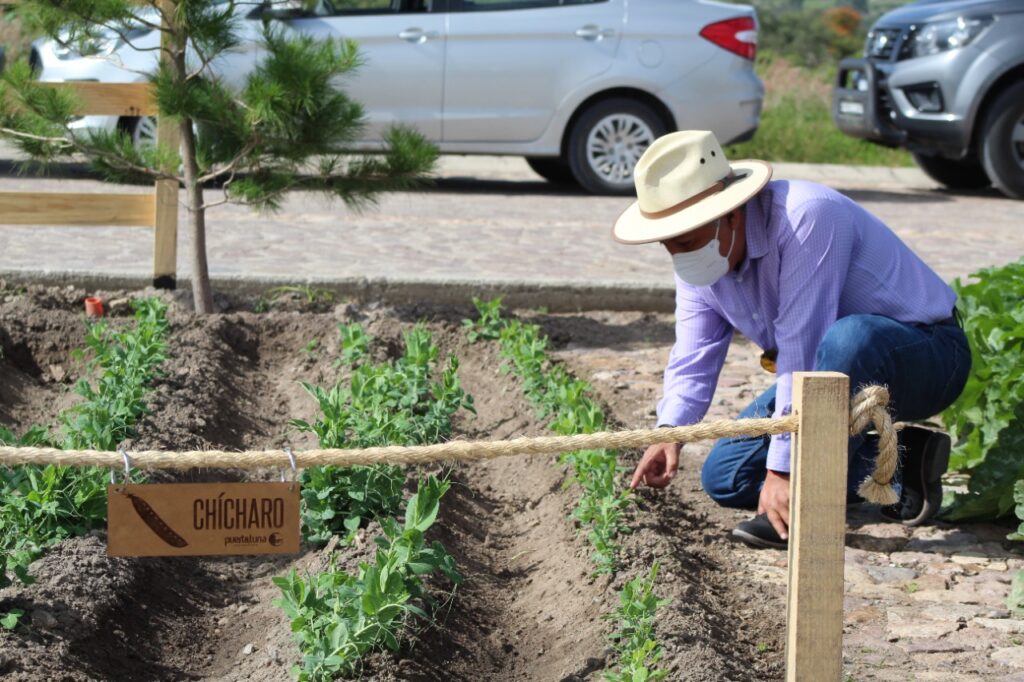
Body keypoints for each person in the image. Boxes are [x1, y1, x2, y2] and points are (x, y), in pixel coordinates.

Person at [613, 130, 971, 549]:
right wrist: (668, 432)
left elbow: (803, 345)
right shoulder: (698, 260)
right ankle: (901, 461)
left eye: (687, 241)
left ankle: (807, 500)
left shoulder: (807, 217)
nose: (679, 256)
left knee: (849, 336)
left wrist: (783, 473)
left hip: (926, 355)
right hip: (827, 370)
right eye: (668, 245)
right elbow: (694, 354)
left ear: (730, 214)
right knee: (726, 477)